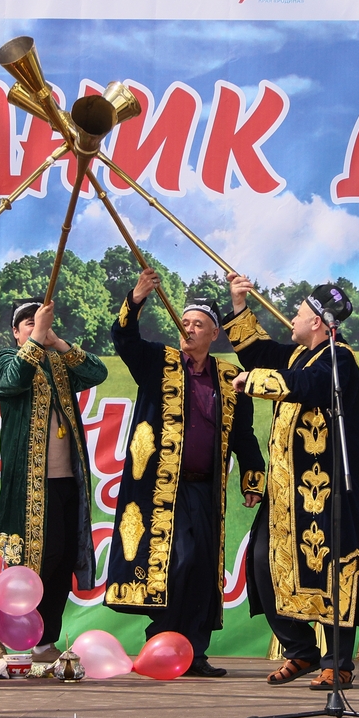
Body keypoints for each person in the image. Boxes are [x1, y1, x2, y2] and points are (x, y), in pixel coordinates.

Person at [105, 267, 265, 677]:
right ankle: (162, 643)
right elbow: (124, 338)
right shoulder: (157, 362)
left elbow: (243, 434)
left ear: (214, 333)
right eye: (184, 322)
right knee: (176, 561)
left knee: (202, 568)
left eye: (197, 324)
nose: (188, 328)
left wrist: (252, 475)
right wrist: (136, 298)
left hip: (206, 489)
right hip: (161, 490)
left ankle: (194, 652)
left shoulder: (229, 377)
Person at [224, 273, 359, 691]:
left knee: (333, 568)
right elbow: (259, 352)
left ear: (318, 322)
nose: (293, 317)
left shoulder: (338, 358)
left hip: (326, 489)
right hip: (287, 490)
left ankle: (338, 662)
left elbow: (310, 385)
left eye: (299, 313)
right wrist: (239, 304)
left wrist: (253, 382)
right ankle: (300, 650)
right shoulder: (299, 355)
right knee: (262, 563)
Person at [0, 298, 108, 664]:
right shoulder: (7, 359)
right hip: (29, 485)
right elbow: (11, 383)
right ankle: (0, 632)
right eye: (27, 322)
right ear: (15, 332)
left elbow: (97, 373)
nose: (35, 326)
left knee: (63, 560)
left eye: (39, 320)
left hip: (67, 481)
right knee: (31, 559)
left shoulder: (59, 364)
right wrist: (37, 338)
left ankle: (44, 641)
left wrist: (57, 342)